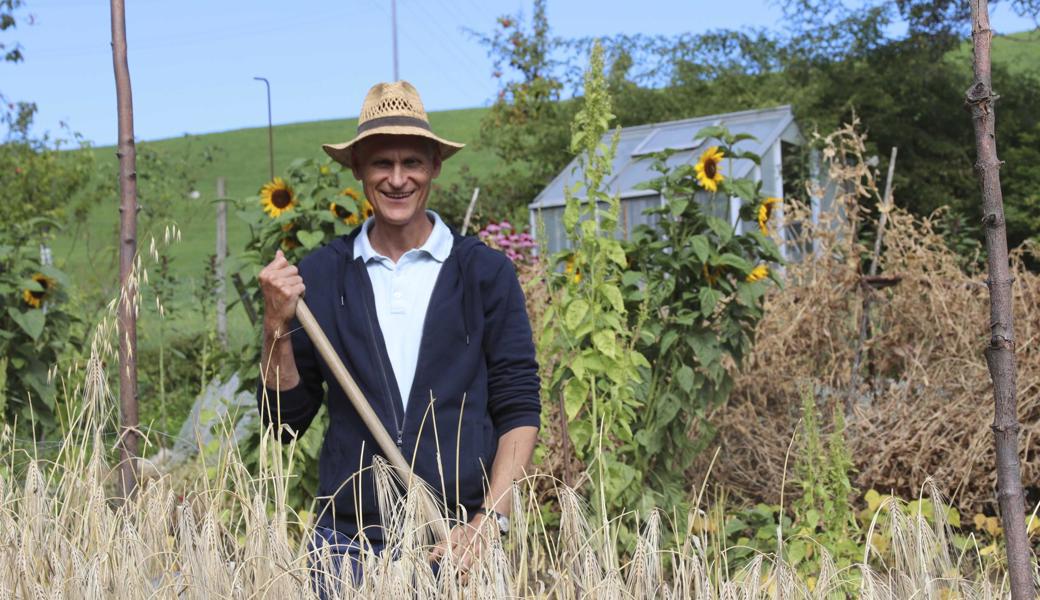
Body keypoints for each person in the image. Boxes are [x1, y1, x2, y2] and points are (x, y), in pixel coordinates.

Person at [256, 80, 541, 582]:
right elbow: (284, 423)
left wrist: (488, 523)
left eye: (411, 162)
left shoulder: (483, 274)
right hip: (347, 552)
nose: (397, 179)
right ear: (359, 170)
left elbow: (518, 409)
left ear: (434, 166)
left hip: (456, 546)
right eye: (381, 164)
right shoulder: (323, 276)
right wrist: (276, 326)